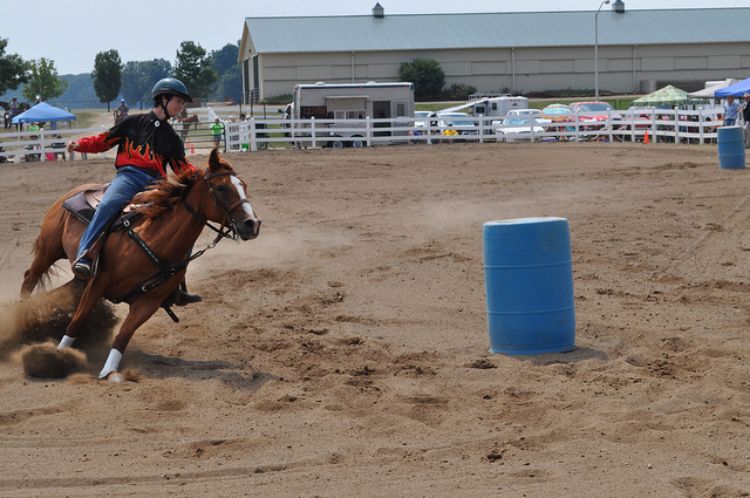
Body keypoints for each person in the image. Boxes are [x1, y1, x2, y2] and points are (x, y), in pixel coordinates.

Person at [66, 77, 202, 305]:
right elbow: (103, 141)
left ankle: (177, 285)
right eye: (179, 101)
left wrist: (203, 175)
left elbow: (182, 169)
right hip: (128, 177)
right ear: (164, 99)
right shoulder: (132, 123)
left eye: (183, 103)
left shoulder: (172, 138)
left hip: (157, 184)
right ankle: (86, 256)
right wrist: (80, 144)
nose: (182, 106)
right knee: (109, 204)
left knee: (179, 221)